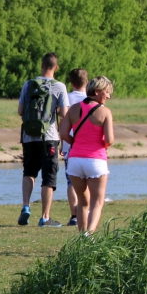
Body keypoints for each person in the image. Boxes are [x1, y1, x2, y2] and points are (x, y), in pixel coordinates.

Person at [17, 53, 70, 227]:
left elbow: (20, 111)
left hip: (28, 137)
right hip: (49, 137)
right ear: (56, 67)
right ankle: (45, 217)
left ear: (41, 65)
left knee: (29, 172)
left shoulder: (28, 84)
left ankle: (26, 206)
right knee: (49, 177)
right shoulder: (59, 87)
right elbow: (64, 113)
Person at [59, 76, 115, 234]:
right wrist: (103, 146)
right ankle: (89, 234)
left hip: (75, 160)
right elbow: (109, 139)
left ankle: (82, 238)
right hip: (96, 160)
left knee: (82, 203)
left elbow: (63, 133)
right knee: (97, 201)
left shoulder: (74, 108)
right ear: (97, 92)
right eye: (107, 92)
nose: (108, 96)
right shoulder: (104, 112)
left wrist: (75, 143)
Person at [62, 69, 89, 226]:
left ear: (71, 83)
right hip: (87, 145)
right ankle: (86, 209)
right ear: (87, 82)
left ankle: (74, 214)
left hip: (69, 144)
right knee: (88, 180)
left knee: (71, 181)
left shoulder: (67, 99)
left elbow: (63, 122)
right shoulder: (90, 100)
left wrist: (63, 143)